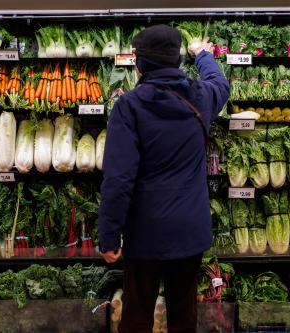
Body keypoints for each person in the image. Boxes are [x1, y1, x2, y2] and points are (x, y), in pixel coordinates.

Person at [98, 24, 230, 333]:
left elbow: (119, 179)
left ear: (140, 65)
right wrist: (203, 55)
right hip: (189, 230)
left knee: (138, 312)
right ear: (177, 61)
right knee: (183, 313)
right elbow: (220, 82)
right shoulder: (200, 95)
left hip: (145, 233)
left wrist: (109, 235)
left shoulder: (128, 107)